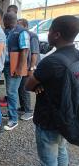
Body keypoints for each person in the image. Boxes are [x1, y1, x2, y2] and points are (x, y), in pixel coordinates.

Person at [25, 15, 79, 166]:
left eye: (49, 31)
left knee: (48, 159)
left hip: (48, 118)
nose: (48, 34)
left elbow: (28, 85)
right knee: (61, 149)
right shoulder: (77, 55)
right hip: (67, 115)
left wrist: (35, 76)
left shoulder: (51, 61)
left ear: (57, 34)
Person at [3, 12, 30, 131]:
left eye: (4, 21)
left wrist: (19, 67)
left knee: (11, 92)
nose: (3, 23)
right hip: (7, 65)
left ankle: (13, 120)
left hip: (15, 66)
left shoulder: (21, 32)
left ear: (7, 21)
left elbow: (25, 50)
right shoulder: (8, 32)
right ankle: (10, 113)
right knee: (10, 92)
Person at [17, 18, 40, 121]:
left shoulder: (32, 36)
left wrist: (31, 68)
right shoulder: (22, 35)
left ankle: (29, 111)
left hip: (29, 66)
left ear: (25, 26)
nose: (17, 27)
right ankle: (23, 107)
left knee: (24, 88)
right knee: (20, 88)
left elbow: (35, 53)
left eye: (19, 25)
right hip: (24, 66)